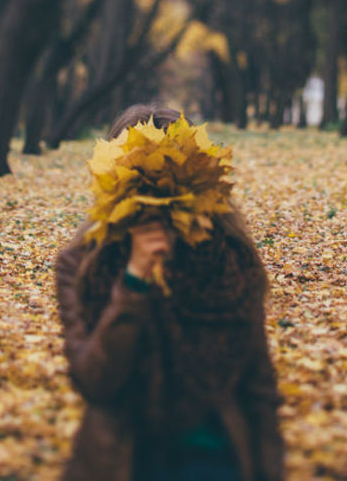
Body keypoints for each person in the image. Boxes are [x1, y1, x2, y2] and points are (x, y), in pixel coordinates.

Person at [55, 104, 284, 481]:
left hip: (216, 459)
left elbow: (258, 385)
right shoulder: (82, 266)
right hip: (123, 459)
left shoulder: (228, 259)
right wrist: (133, 283)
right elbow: (95, 381)